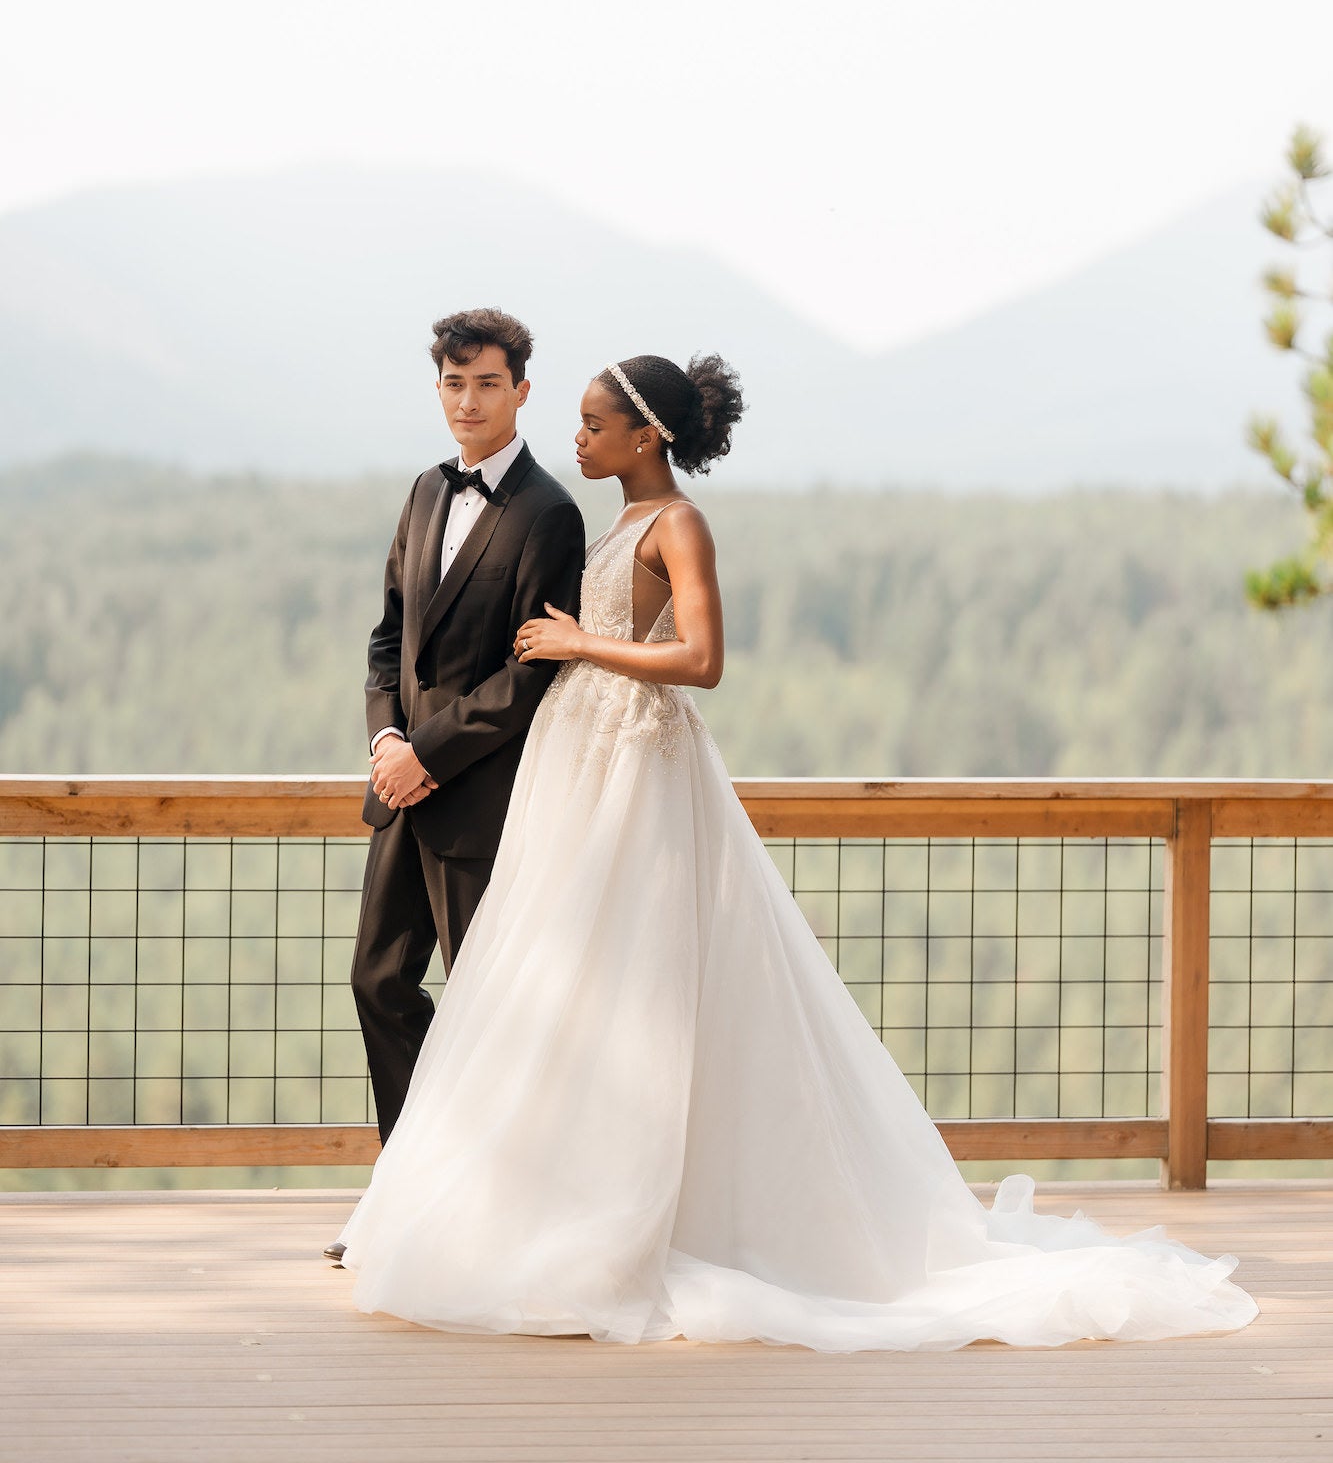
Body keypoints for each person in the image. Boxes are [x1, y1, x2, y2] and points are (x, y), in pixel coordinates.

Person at [334, 352, 1256, 1351]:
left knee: (640, 980)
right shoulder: (616, 519)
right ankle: (548, 1200)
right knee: (573, 989)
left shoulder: (679, 522)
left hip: (636, 765)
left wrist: (579, 646)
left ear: (646, 436)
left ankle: (633, 1216)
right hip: (580, 761)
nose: (579, 436)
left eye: (597, 424)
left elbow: (702, 659)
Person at [340, 307, 585, 1241]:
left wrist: (426, 756)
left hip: (478, 796)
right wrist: (383, 745)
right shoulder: (422, 491)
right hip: (400, 786)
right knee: (377, 981)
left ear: (522, 388)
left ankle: (498, 1209)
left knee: (491, 1005)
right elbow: (387, 638)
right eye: (454, 382)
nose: (468, 400)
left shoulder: (549, 514)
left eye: (487, 382)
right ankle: (413, 1194)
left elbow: (533, 672)